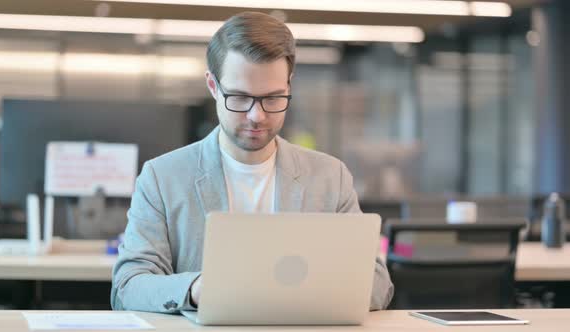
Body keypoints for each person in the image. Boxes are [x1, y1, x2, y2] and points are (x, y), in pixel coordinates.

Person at [111, 11, 394, 313]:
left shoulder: (329, 177)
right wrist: (194, 290)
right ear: (213, 86)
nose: (256, 116)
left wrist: (303, 293)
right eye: (240, 97)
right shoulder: (162, 177)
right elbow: (128, 286)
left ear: (289, 85)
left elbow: (378, 283)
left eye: (273, 98)